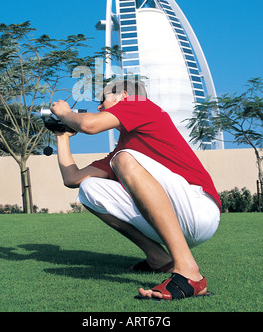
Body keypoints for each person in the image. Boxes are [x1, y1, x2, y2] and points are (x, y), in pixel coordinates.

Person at [51, 79, 221, 300]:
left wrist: (65, 113)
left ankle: (190, 273)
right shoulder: (122, 150)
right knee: (89, 189)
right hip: (173, 222)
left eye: (103, 99)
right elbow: (72, 178)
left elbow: (88, 125)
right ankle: (159, 259)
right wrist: (62, 136)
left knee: (124, 160)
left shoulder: (141, 104)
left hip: (199, 208)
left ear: (124, 95)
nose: (99, 107)